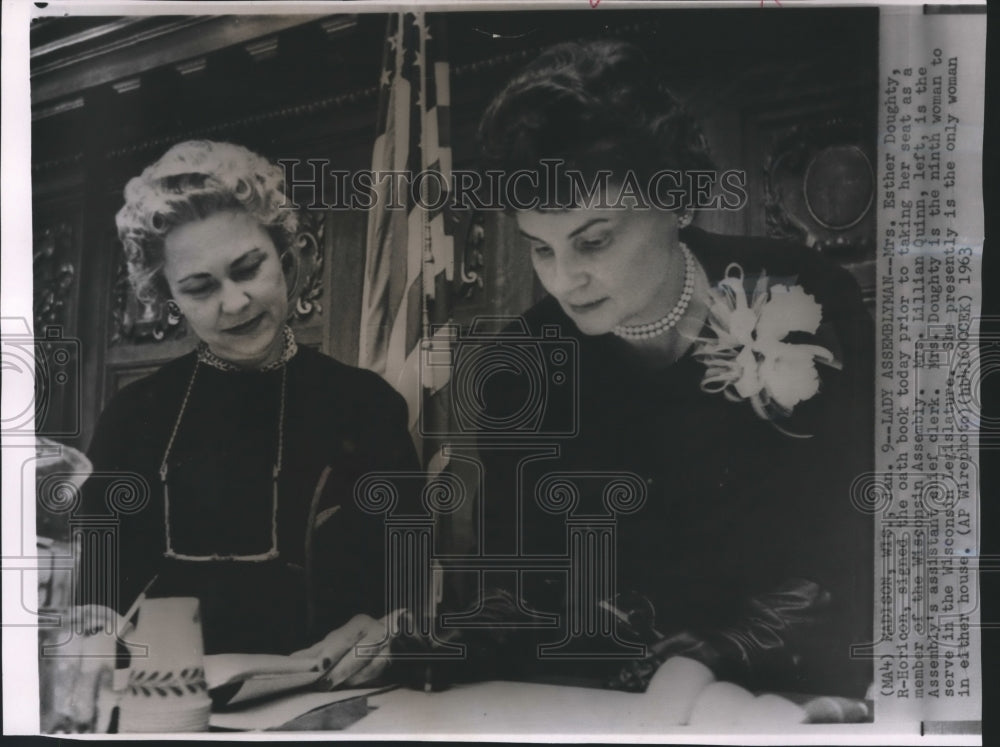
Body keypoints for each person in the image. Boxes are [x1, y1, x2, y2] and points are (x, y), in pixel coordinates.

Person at [462, 40, 874, 699]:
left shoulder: (805, 295)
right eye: (541, 248)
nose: (565, 280)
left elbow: (855, 545)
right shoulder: (523, 364)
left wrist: (714, 658)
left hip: (790, 691)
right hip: (614, 704)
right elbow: (512, 585)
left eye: (594, 240)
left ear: (678, 201)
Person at [80, 140, 420, 687]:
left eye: (248, 268)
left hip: (337, 709)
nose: (234, 302)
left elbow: (410, 595)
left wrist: (394, 630)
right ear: (170, 300)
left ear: (284, 255)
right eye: (200, 287)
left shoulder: (367, 406)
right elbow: (91, 603)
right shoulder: (130, 418)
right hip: (165, 713)